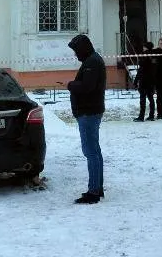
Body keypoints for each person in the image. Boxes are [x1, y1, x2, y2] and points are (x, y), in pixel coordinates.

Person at [67, 33, 106, 203]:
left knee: (90, 151)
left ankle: (94, 192)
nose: (75, 54)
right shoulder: (92, 60)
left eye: (76, 51)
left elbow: (87, 87)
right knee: (94, 151)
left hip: (88, 112)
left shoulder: (92, 62)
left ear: (82, 49)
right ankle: (97, 187)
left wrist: (71, 85)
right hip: (90, 111)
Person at [134, 41, 156, 121]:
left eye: (144, 46)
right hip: (152, 80)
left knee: (142, 99)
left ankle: (141, 116)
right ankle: (151, 116)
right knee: (151, 98)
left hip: (144, 80)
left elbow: (141, 69)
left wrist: (136, 81)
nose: (143, 48)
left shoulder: (144, 55)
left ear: (146, 47)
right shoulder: (154, 56)